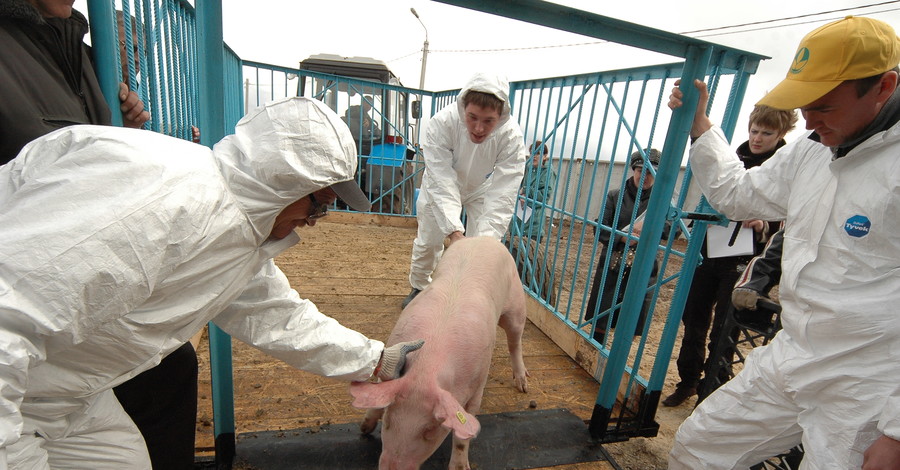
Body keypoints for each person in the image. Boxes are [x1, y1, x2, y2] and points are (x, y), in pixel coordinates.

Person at [0, 96, 424, 469]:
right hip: (16, 388)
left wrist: (378, 361)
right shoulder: (161, 203)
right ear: (282, 181)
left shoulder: (236, 228)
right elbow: (9, 316)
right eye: (317, 205)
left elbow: (276, 316)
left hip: (67, 396)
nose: (313, 223)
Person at [667, 16, 900, 469]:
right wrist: (701, 127)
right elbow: (738, 194)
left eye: (824, 106)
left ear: (883, 87)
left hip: (868, 383)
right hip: (793, 353)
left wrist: (895, 430)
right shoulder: (813, 147)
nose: (808, 119)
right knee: (699, 448)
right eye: (804, 103)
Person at [662, 105, 796, 407]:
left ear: (782, 134)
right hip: (711, 251)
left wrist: (764, 225)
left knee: (725, 328)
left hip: (744, 260)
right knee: (693, 318)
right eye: (754, 130)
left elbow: (789, 222)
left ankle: (711, 391)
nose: (758, 138)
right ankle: (689, 382)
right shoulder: (733, 158)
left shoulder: (785, 169)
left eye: (767, 133)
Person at [403, 72, 527, 308]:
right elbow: (442, 178)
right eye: (472, 117)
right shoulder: (442, 123)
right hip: (438, 185)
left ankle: (469, 295)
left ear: (500, 116)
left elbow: (503, 192)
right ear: (463, 108)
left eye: (488, 121)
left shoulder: (510, 136)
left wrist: (482, 244)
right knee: (429, 240)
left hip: (481, 188)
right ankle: (419, 287)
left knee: (483, 244)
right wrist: (454, 232)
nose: (479, 128)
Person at [0, 0, 150, 165]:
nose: (137, 58)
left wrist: (122, 129)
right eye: (131, 47)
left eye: (142, 52)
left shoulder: (85, 59)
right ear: (110, 41)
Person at [583, 148, 675, 340]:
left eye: (651, 172)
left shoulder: (663, 201)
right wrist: (622, 238)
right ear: (634, 169)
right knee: (602, 318)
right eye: (642, 170)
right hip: (613, 263)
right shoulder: (615, 196)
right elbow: (600, 228)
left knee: (630, 321)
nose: (645, 176)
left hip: (642, 264)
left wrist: (650, 228)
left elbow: (672, 230)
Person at [514, 140, 557, 242]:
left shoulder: (548, 172)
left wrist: (526, 193)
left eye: (538, 153)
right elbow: (516, 188)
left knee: (529, 254)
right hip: (518, 220)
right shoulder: (526, 168)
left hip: (534, 224)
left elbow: (544, 197)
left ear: (545, 156)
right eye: (532, 153)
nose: (534, 156)